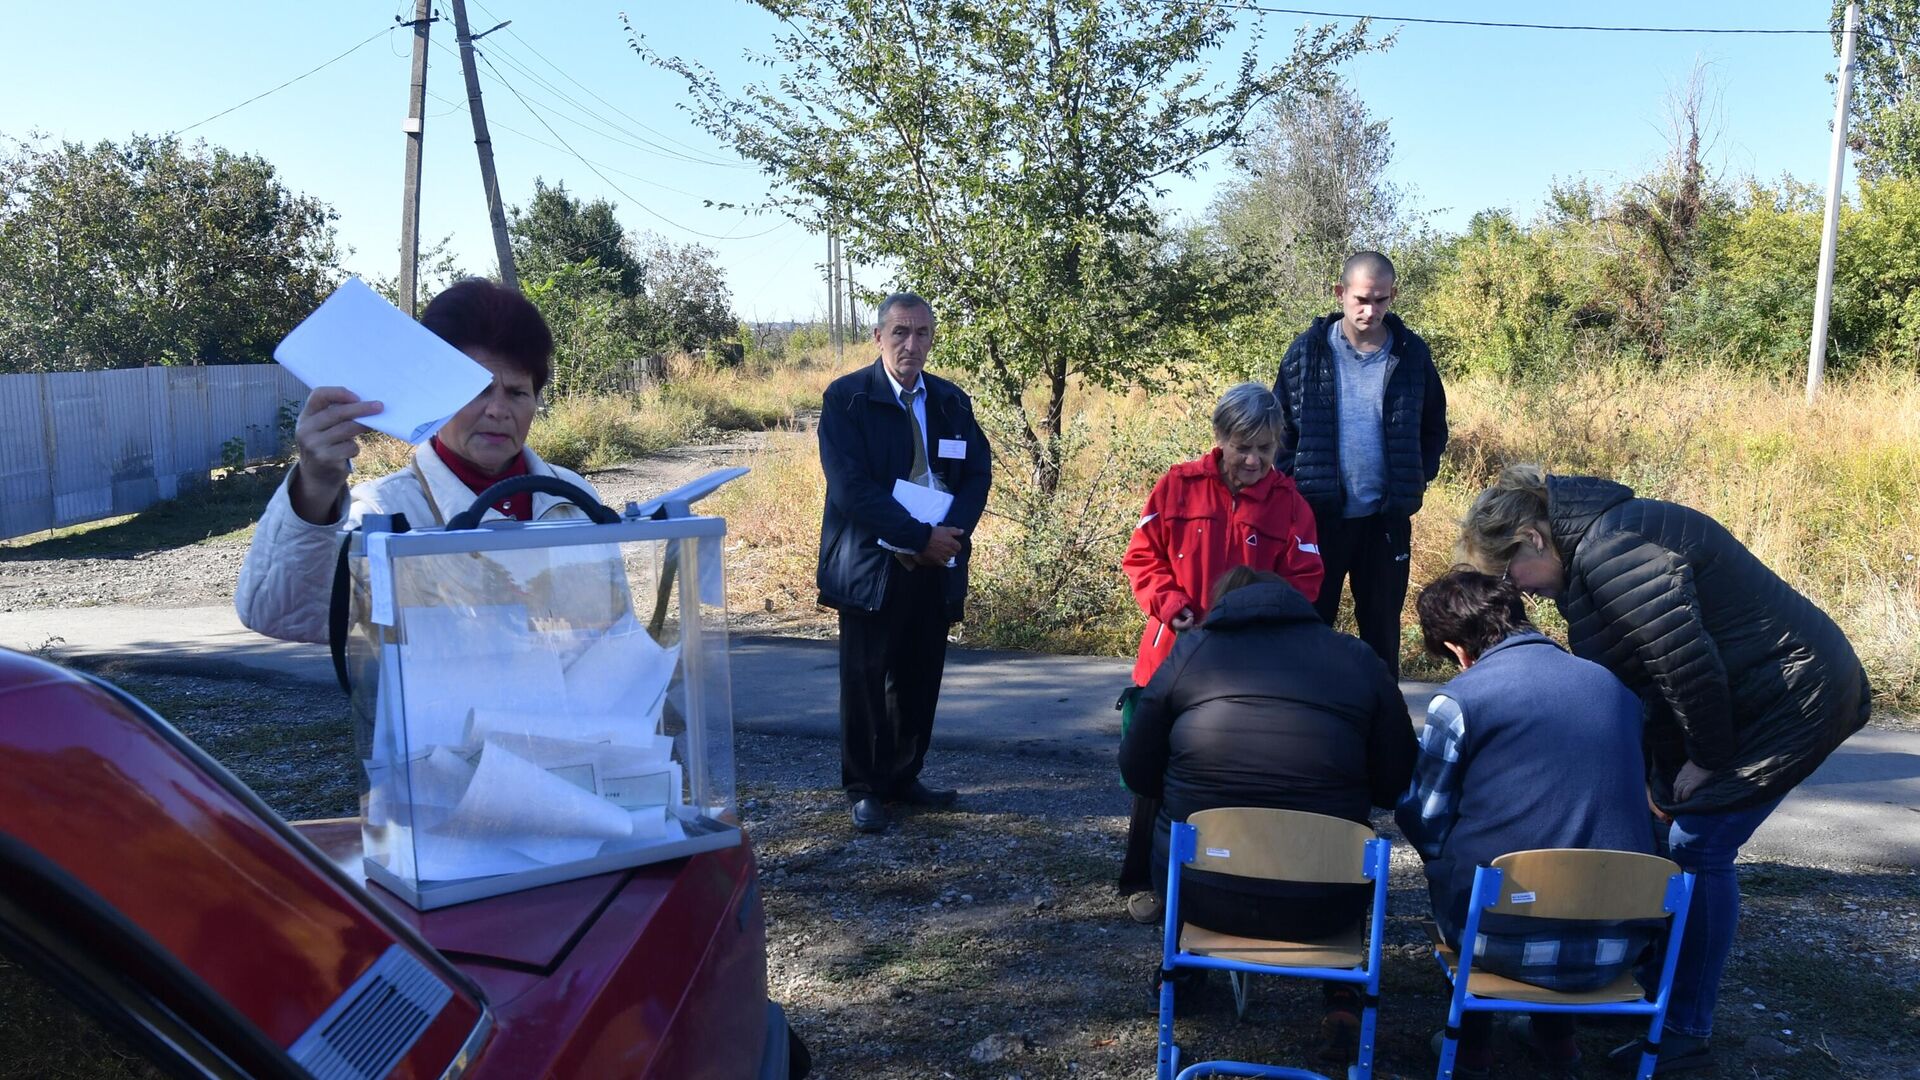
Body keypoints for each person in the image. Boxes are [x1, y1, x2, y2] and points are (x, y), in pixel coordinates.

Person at [1455, 465, 1872, 1075]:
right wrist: (1657, 775)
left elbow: (1687, 666)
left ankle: (1682, 1030)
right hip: (1757, 696)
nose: (1516, 592)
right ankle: (1639, 988)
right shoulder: (1599, 547)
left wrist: (1706, 760)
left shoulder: (1612, 550)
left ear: (1534, 538)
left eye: (1507, 573)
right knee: (1666, 827)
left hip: (1794, 697)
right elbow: (1646, 680)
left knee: (1699, 846)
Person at [1119, 566, 1415, 1066]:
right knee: (1350, 838)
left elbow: (1138, 772)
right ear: (1294, 605)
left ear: (1223, 606)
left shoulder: (1191, 653)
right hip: (1325, 902)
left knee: (1186, 831)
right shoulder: (1358, 659)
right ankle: (1342, 995)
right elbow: (1393, 784)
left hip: (1204, 894)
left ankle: (1183, 970)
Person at [236, 277, 603, 646]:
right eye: (477, 390)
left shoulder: (572, 498)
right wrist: (315, 485)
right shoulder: (386, 514)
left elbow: (610, 629)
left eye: (517, 392)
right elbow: (282, 617)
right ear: (434, 396)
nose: (497, 410)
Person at [1397, 568, 1656, 1079]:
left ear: (1455, 647)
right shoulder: (1614, 689)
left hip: (1497, 941)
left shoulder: (1463, 698)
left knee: (1468, 870)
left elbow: (1425, 819)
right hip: (1621, 941)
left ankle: (1471, 1050)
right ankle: (1556, 1041)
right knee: (1566, 842)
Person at [1116, 382, 1324, 919]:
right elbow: (1142, 558)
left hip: (1253, 665)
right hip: (1175, 653)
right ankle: (1146, 882)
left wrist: (1260, 620)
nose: (1254, 460)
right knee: (1157, 773)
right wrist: (1171, 604)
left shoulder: (1292, 505)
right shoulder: (1177, 486)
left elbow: (1305, 581)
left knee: (1232, 775)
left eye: (1266, 449)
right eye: (1242, 446)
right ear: (1220, 439)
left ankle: (1233, 879)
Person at [816, 292, 991, 834]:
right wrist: (917, 538)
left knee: (920, 676)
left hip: (936, 564)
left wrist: (948, 540)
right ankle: (865, 788)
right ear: (878, 337)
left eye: (921, 334)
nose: (911, 345)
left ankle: (903, 777)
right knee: (866, 680)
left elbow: (977, 475)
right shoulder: (847, 400)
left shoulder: (951, 403)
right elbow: (851, 490)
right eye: (900, 333)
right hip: (873, 565)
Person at [1273, 250, 1447, 676]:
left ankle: (1382, 734)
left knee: (1382, 637)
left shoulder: (1411, 355)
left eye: (1381, 300)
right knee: (1308, 630)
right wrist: (1292, 490)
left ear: (1393, 296)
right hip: (1317, 521)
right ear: (1340, 293)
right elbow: (1279, 432)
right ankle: (1307, 727)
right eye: (1362, 300)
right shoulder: (1305, 354)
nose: (1371, 310)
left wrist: (1414, 481)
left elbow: (1433, 429)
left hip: (1384, 522)